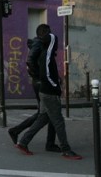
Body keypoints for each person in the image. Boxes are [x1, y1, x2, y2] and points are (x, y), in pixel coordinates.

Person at [15, 31, 82, 160]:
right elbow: (46, 75)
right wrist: (56, 87)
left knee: (43, 118)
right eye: (56, 42)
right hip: (49, 93)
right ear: (52, 43)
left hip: (45, 92)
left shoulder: (47, 54)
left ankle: (23, 142)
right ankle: (66, 150)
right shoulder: (47, 55)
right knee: (59, 121)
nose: (57, 44)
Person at [8, 24, 60, 152]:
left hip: (41, 82)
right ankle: (49, 143)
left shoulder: (40, 44)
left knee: (45, 113)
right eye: (49, 32)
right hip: (42, 83)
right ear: (46, 33)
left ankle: (17, 131)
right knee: (50, 112)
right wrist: (40, 76)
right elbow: (30, 60)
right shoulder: (39, 44)